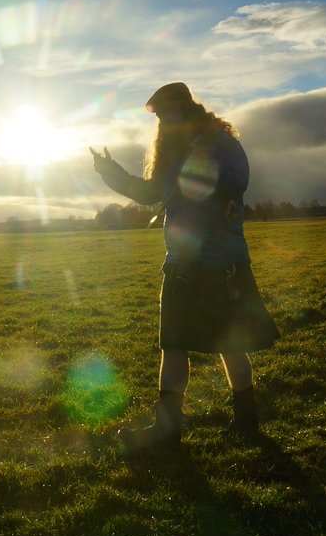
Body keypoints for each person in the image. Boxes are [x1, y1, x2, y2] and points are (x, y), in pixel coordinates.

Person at [90, 81, 279, 452]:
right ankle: (167, 432)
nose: (162, 123)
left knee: (229, 345)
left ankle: (246, 423)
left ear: (186, 107)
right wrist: (111, 173)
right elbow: (151, 193)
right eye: (159, 118)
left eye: (166, 114)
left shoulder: (220, 142)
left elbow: (238, 181)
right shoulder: (173, 151)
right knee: (174, 345)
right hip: (180, 263)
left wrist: (199, 167)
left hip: (221, 262)